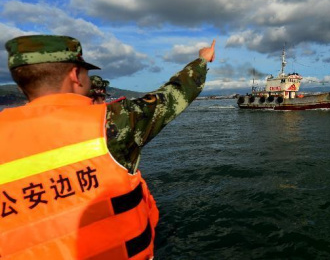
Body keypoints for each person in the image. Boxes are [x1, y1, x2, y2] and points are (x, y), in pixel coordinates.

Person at [0, 35, 215, 259]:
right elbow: (173, 96)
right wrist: (201, 60)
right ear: (75, 75)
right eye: (87, 73)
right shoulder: (111, 121)